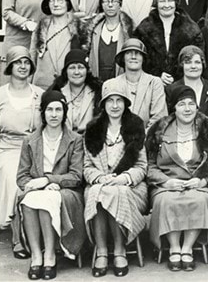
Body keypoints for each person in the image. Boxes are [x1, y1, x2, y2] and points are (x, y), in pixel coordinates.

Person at [146, 85, 208, 272]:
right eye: (182, 104)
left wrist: (203, 182)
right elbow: (149, 165)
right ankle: (174, 247)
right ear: (174, 107)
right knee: (166, 200)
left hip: (197, 182)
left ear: (197, 107)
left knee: (201, 199)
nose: (187, 109)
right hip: (167, 182)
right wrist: (165, 181)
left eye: (191, 104)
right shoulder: (159, 130)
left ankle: (187, 247)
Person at [16, 90, 86, 280]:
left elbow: (76, 176)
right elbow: (21, 176)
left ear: (64, 113)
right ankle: (36, 256)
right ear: (43, 113)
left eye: (58, 110)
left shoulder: (75, 140)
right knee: (29, 200)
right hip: (37, 190)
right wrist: (37, 185)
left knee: (45, 200)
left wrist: (49, 180)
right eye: (49, 110)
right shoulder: (30, 140)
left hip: (67, 192)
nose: (54, 114)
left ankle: (50, 255)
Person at [83, 80, 148, 277]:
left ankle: (120, 250)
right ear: (103, 104)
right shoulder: (93, 128)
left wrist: (124, 178)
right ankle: (102, 250)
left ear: (125, 103)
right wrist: (101, 177)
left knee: (115, 191)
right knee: (98, 191)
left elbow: (142, 166)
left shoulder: (135, 126)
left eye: (119, 100)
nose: (114, 105)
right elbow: (86, 167)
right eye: (110, 101)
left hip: (130, 186)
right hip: (100, 183)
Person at [0, 46, 44, 260]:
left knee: (38, 181)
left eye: (27, 62)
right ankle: (18, 238)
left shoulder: (39, 94)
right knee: (13, 177)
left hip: (34, 150)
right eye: (18, 62)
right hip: (8, 149)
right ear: (10, 66)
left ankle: (38, 233)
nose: (23, 66)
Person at [134, 0, 204, 85]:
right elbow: (139, 56)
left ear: (176, 3)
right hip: (152, 83)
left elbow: (198, 56)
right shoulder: (144, 28)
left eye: (170, 1)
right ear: (156, 3)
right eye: (162, 1)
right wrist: (157, 74)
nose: (166, 5)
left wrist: (178, 76)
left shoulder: (190, 28)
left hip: (184, 83)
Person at [30, 0, 88, 89]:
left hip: (69, 85)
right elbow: (32, 57)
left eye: (60, 0)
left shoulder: (79, 28)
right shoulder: (41, 28)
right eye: (52, 0)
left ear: (67, 3)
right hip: (42, 85)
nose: (56, 4)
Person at [107, 38, 167, 132]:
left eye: (138, 53)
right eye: (129, 53)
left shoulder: (154, 83)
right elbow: (107, 119)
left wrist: (142, 139)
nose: (133, 57)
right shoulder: (111, 84)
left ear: (143, 58)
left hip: (147, 140)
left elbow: (159, 118)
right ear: (123, 58)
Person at [83, 0, 135, 81]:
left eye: (114, 1)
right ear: (101, 5)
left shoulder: (129, 31)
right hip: (96, 81)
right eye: (106, 1)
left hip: (122, 81)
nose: (110, 5)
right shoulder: (93, 30)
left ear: (120, 4)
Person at [48, 49, 102, 134]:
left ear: (87, 71)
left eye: (80, 67)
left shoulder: (97, 93)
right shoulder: (57, 92)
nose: (76, 72)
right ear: (66, 71)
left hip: (89, 141)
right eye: (72, 68)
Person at [166, 45, 208, 119]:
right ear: (181, 65)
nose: (193, 66)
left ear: (203, 64)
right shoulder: (171, 90)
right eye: (188, 62)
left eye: (197, 62)